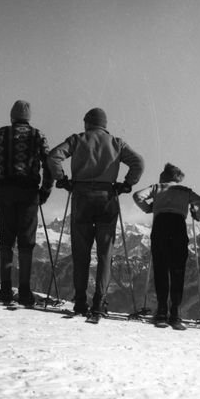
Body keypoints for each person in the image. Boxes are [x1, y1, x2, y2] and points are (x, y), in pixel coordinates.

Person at [47, 107, 144, 316]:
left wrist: (62, 179)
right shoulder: (117, 143)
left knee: (80, 252)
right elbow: (139, 162)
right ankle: (99, 301)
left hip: (81, 196)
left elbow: (54, 156)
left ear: (87, 123)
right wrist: (126, 184)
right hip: (108, 197)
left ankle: (80, 301)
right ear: (104, 124)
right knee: (104, 252)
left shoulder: (78, 139)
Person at [0, 100, 53, 306]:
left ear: (12, 116)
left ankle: (5, 289)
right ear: (28, 118)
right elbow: (50, 164)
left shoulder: (1, 133)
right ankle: (25, 291)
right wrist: (45, 190)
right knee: (26, 242)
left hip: (5, 192)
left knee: (6, 241)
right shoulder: (38, 135)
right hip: (29, 192)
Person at [133, 163, 200, 329]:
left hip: (160, 224)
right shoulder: (185, 191)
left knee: (161, 267)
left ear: (164, 176)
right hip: (178, 226)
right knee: (177, 269)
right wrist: (197, 215)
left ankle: (161, 311)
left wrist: (148, 208)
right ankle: (175, 312)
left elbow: (137, 195)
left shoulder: (157, 187)